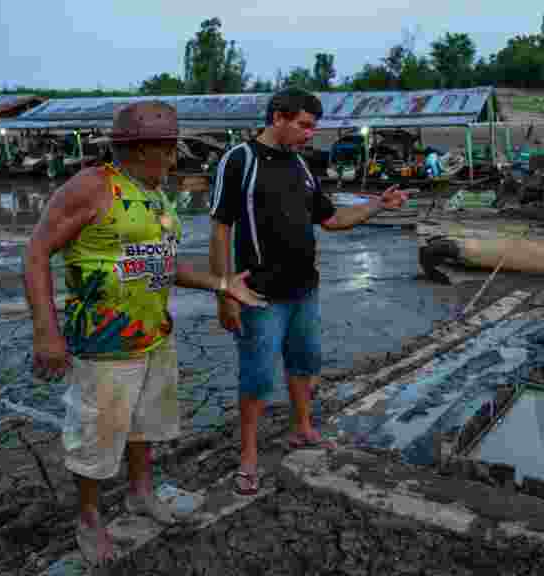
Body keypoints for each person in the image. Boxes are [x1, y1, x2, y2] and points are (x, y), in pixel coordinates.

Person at [24, 101, 265, 566]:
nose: (174, 160)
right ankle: (89, 517)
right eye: (168, 149)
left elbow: (161, 262)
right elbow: (35, 254)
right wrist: (46, 332)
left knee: (144, 425)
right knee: (97, 434)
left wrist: (221, 283)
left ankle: (140, 493)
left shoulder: (154, 193)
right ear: (139, 148)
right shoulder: (92, 187)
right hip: (104, 342)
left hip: (154, 334)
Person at [209, 87, 409, 496]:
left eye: (313, 127)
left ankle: (302, 429)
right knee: (257, 377)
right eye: (304, 125)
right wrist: (224, 291)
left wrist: (377, 205)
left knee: (304, 363)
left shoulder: (301, 165)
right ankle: (248, 457)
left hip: (305, 290)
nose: (309, 134)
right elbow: (220, 228)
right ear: (278, 117)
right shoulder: (240, 160)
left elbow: (331, 219)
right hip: (258, 294)